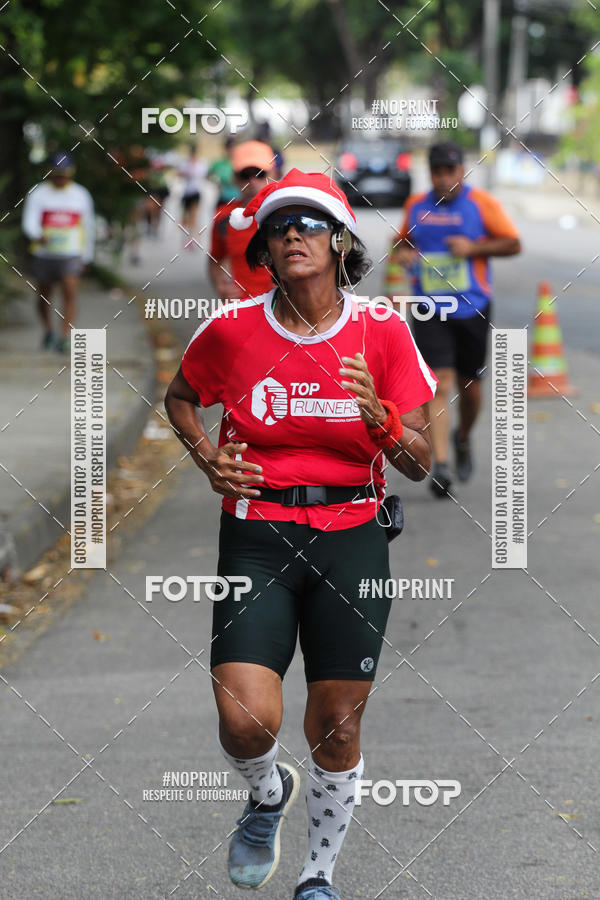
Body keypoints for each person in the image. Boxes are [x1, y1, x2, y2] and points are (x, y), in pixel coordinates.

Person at [165, 169, 437, 900]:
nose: (293, 233)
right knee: (246, 718)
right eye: (280, 225)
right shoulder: (232, 330)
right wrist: (206, 460)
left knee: (337, 727)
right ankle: (264, 793)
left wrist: (377, 413)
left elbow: (418, 461)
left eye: (310, 223)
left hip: (352, 533)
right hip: (257, 532)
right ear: (265, 247)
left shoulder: (381, 331)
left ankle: (317, 875)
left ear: (341, 241)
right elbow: (181, 397)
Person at [394, 141, 521, 498]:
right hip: (430, 307)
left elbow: (513, 243)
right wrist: (403, 254)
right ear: (430, 172)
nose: (443, 178)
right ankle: (443, 467)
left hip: (473, 307)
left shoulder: (481, 204)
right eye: (437, 171)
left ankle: (462, 436)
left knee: (471, 387)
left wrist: (474, 248)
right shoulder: (416, 206)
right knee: (439, 383)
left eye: (449, 171)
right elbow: (401, 241)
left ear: (461, 171)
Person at [22, 151, 95, 353]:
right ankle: (48, 330)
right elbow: (29, 221)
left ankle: (64, 336)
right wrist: (38, 235)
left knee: (70, 290)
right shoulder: (38, 193)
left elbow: (88, 227)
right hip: (44, 254)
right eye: (57, 173)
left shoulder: (81, 195)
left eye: (64, 173)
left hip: (71, 254)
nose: (61, 177)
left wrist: (87, 255)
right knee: (44, 295)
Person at [208, 140, 276, 300]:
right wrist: (221, 286)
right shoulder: (224, 217)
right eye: (245, 175)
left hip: (284, 313)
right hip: (243, 310)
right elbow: (214, 260)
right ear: (234, 178)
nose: (252, 181)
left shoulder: (287, 212)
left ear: (273, 174)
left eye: (260, 174)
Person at [179, 143, 207, 249]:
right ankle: (188, 238)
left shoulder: (201, 163)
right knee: (186, 218)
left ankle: (193, 239)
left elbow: (203, 175)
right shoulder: (186, 162)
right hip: (187, 193)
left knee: (194, 217)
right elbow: (180, 174)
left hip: (196, 192)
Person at [208, 136, 238, 210]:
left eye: (233, 148)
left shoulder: (239, 162)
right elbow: (209, 175)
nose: (231, 150)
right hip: (222, 199)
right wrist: (216, 182)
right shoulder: (218, 163)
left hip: (237, 200)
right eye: (229, 147)